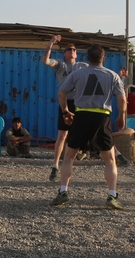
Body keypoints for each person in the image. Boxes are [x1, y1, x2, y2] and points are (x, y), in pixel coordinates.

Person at [50, 44, 126, 210]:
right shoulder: (112, 75)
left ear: (87, 59)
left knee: (69, 156)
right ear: (103, 58)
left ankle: (63, 191)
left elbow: (61, 93)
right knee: (110, 159)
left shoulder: (78, 73)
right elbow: (122, 98)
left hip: (81, 115)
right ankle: (112, 195)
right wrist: (121, 116)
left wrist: (65, 112)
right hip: (102, 117)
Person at [42, 35, 89, 182]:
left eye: (74, 49)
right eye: (69, 49)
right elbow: (45, 60)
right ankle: (55, 165)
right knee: (62, 135)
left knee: (87, 131)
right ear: (65, 53)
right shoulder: (60, 65)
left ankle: (112, 155)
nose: (72, 51)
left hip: (80, 103)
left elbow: (98, 71)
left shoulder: (83, 66)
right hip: (65, 102)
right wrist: (51, 43)